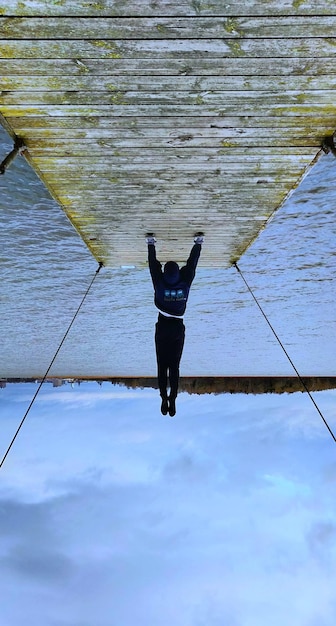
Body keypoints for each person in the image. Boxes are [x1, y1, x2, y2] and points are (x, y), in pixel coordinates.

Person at [146, 232, 204, 416]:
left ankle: (171, 397)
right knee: (163, 366)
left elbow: (153, 268)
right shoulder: (182, 282)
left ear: (164, 274)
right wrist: (150, 244)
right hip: (165, 328)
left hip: (175, 328)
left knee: (174, 366)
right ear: (178, 272)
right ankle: (165, 396)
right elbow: (191, 265)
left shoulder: (161, 285)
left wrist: (198, 243)